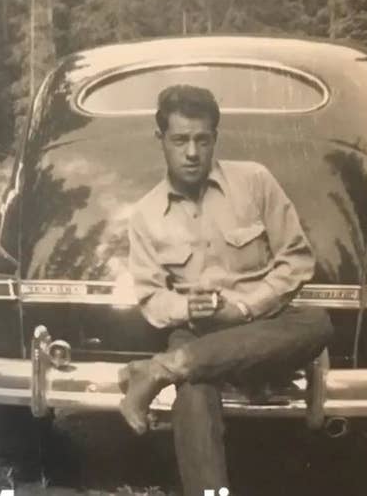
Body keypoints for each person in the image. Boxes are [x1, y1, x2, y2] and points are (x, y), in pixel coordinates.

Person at [121, 84, 333, 496]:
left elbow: (296, 259)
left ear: (216, 138)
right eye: (180, 140)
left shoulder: (255, 182)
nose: (192, 153)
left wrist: (245, 309)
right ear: (160, 139)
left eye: (202, 139)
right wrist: (187, 306)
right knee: (195, 394)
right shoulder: (146, 215)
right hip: (196, 333)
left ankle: (157, 370)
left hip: (264, 330)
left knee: (318, 323)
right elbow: (150, 297)